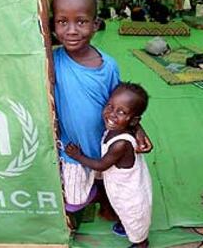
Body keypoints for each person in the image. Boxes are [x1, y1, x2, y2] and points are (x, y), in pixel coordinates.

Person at [51, 0, 152, 226]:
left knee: (111, 183)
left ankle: (108, 204)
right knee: (74, 199)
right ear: (52, 25)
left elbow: (124, 103)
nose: (72, 30)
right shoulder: (51, 61)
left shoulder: (107, 66)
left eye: (81, 21)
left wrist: (137, 130)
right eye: (62, 21)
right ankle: (76, 213)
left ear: (96, 24)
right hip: (72, 149)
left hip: (107, 145)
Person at [65, 82, 152, 248]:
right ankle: (125, 225)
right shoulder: (117, 128)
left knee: (134, 217)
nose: (111, 114)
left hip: (130, 193)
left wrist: (78, 155)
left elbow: (100, 165)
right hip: (121, 185)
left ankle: (141, 243)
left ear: (134, 120)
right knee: (125, 214)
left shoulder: (120, 144)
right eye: (110, 106)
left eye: (121, 112)